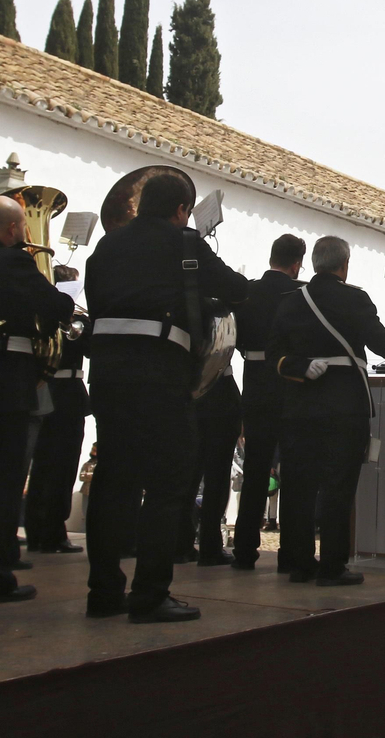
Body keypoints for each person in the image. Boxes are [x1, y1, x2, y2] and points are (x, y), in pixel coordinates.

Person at [83, 170, 248, 619]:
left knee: (113, 478)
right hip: (159, 372)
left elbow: (97, 303)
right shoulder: (185, 244)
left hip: (108, 373)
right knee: (167, 481)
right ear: (180, 210)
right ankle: (150, 594)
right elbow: (236, 290)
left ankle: (103, 592)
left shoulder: (105, 246)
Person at [271, 235, 385, 585]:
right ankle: (332, 567)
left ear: (314, 264)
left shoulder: (291, 301)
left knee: (299, 489)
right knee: (337, 489)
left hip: (300, 406)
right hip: (344, 408)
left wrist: (298, 366)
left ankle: (300, 564)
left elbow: (274, 353)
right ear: (344, 265)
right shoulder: (355, 298)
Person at [0, 195, 74, 604]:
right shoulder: (15, 261)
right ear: (13, 230)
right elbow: (56, 305)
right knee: (4, 477)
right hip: (8, 376)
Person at [231, 234, 304, 572]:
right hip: (289, 384)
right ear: (296, 264)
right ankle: (291, 553)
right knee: (291, 468)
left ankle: (244, 549)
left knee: (256, 469)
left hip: (255, 381)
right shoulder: (298, 293)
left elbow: (236, 338)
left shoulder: (248, 291)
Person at [24, 265, 89, 554]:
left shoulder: (37, 316)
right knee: (62, 465)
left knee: (40, 464)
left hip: (42, 390)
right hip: (67, 394)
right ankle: (53, 531)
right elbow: (88, 347)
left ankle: (36, 527)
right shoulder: (72, 321)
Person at [181, 371, 242, 565]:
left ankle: (181, 544)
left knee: (188, 475)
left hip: (189, 389)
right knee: (217, 476)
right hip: (219, 388)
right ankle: (210, 545)